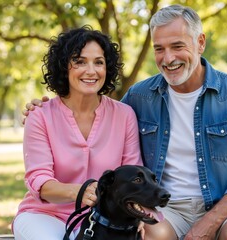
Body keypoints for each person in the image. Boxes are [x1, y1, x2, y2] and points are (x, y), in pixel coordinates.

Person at [23, 5, 227, 240]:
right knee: (147, 234)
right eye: (159, 48)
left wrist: (211, 220)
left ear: (200, 43)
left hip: (225, 205)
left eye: (177, 46)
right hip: (167, 208)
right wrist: (41, 109)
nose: (168, 58)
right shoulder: (140, 97)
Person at [13, 25, 143, 240]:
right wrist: (80, 192)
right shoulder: (40, 115)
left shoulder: (125, 115)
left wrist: (135, 212)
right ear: (64, 67)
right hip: (44, 215)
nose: (91, 71)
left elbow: (133, 173)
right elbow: (40, 181)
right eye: (80, 61)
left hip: (104, 219)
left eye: (99, 62)